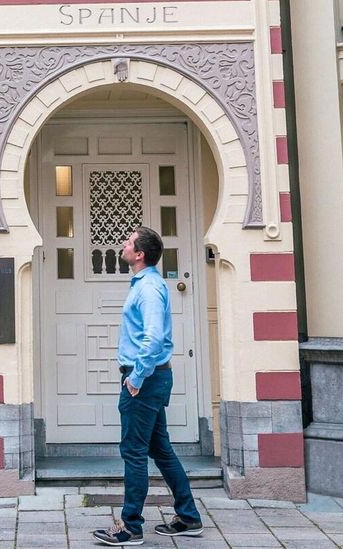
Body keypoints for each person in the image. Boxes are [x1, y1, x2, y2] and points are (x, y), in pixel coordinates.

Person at [93, 225, 204, 545]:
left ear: (139, 254)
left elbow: (153, 338)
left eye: (128, 242)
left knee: (134, 451)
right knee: (160, 449)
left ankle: (130, 527)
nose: (123, 245)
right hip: (150, 377)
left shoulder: (149, 288)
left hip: (145, 378)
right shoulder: (146, 284)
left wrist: (136, 378)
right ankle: (188, 516)